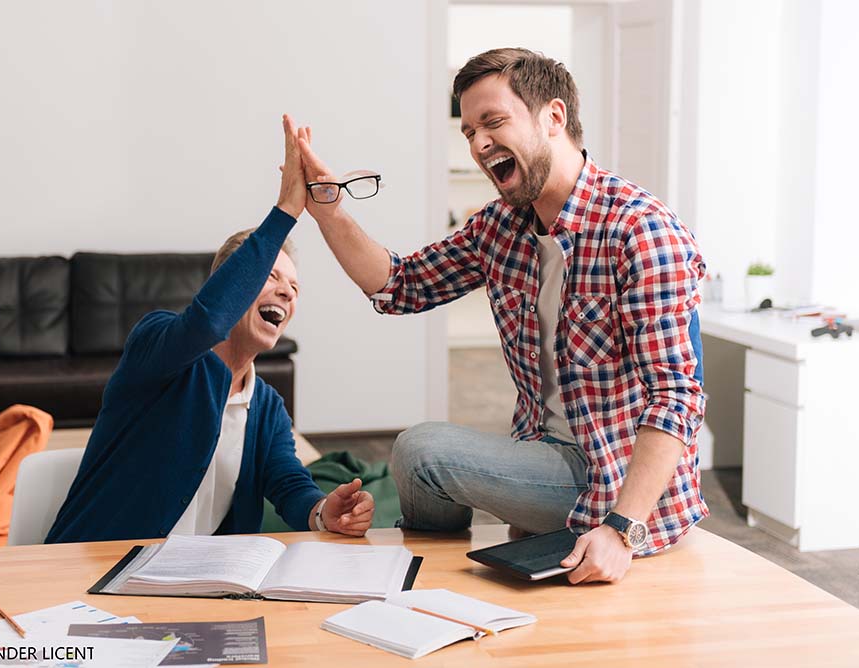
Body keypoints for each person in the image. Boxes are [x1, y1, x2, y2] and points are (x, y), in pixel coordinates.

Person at [295, 48, 706, 584]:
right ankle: (434, 578)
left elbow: (677, 396)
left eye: (492, 122)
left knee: (422, 451)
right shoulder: (501, 226)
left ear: (553, 118)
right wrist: (327, 208)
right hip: (547, 458)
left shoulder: (641, 230)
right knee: (421, 460)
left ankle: (424, 573)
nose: (479, 144)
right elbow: (401, 284)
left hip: (618, 482)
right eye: (468, 131)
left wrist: (621, 529)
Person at [46, 116, 374, 544]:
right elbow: (206, 324)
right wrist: (287, 210)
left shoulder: (267, 406)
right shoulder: (158, 346)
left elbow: (290, 485)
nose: (287, 292)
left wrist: (323, 513)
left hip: (197, 584)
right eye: (272, 276)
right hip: (93, 571)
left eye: (294, 287)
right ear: (231, 285)